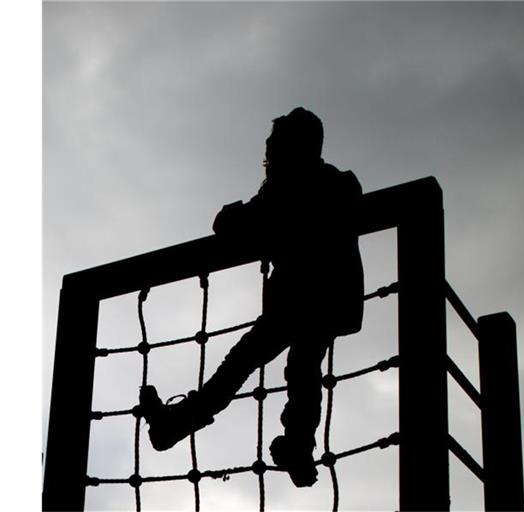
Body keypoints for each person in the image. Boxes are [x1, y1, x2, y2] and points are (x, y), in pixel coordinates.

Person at [139, 107, 364, 487]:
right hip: (326, 298)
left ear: (289, 149)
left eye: (274, 146)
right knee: (300, 367)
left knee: (248, 367)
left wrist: (235, 213)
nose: (268, 154)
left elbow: (232, 224)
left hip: (298, 300)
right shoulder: (334, 183)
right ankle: (296, 445)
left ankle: (179, 426)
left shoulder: (286, 189)